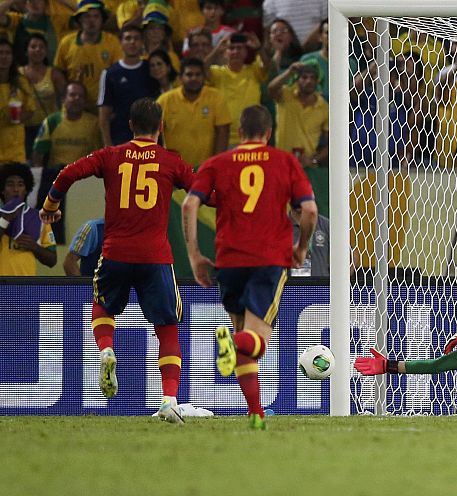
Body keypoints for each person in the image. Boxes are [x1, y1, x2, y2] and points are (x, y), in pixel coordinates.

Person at [39, 97, 195, 424]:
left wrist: (51, 206)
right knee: (167, 328)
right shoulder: (171, 161)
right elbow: (203, 192)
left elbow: (67, 174)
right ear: (161, 126)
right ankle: (169, 400)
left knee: (103, 306)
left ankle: (106, 348)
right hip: (155, 257)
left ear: (130, 125)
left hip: (115, 253)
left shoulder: (110, 155)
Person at [182, 105, 317, 429]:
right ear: (268, 133)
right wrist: (301, 247)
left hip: (229, 261)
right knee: (256, 341)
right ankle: (231, 344)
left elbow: (189, 204)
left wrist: (195, 255)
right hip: (268, 259)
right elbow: (310, 210)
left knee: (244, 334)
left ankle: (255, 412)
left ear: (240, 132)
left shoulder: (217, 162)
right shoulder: (284, 161)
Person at [32, 81, 101, 243]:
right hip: (56, 179)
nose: (76, 99)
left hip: (83, 181)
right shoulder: (52, 121)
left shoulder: (94, 123)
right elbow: (37, 155)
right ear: (63, 99)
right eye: (72, 95)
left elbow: (99, 156)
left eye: (80, 96)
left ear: (85, 101)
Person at [157, 57, 230, 168]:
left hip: (205, 168)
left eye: (198, 74)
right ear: (181, 78)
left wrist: (215, 165)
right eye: (189, 75)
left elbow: (223, 132)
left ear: (204, 77)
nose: (194, 78)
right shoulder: (165, 100)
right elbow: (153, 133)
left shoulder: (216, 97)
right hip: (173, 169)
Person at [98, 24, 159, 147]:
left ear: (142, 42)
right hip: (120, 139)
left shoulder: (150, 68)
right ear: (120, 43)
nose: (132, 42)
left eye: (136, 38)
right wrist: (108, 145)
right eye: (128, 38)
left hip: (149, 139)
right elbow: (104, 116)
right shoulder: (110, 73)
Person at [54, 0, 122, 109]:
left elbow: (118, 73)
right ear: (80, 19)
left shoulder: (112, 42)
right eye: (87, 16)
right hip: (75, 106)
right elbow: (58, 71)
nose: (91, 21)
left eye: (96, 16)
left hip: (104, 106)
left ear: (102, 19)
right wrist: (67, 94)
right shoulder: (66, 42)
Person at [206, 32, 270, 147]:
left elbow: (269, 66)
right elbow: (201, 69)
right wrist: (216, 50)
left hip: (251, 136)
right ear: (225, 52)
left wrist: (259, 48)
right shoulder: (217, 72)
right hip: (224, 137)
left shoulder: (254, 70)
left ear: (246, 52)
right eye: (231, 48)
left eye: (240, 48)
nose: (235, 52)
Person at [267, 61, 328, 168]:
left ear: (317, 82)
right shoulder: (286, 95)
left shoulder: (324, 107)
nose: (309, 81)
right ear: (297, 80)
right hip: (282, 162)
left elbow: (331, 143)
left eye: (313, 78)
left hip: (307, 166)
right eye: (304, 77)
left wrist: (313, 160)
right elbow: (272, 88)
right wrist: (289, 72)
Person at [0, 161, 56, 275]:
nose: (16, 189)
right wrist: (4, 220)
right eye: (10, 184)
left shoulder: (38, 218)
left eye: (20, 185)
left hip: (26, 284)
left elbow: (52, 260)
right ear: (2, 189)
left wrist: (34, 247)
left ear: (26, 190)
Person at [20, 33, 65, 159]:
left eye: (41, 47)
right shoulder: (18, 74)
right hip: (24, 129)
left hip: (49, 128)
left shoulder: (54, 74)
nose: (37, 50)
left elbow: (65, 99)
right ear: (26, 51)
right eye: (33, 47)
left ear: (46, 51)